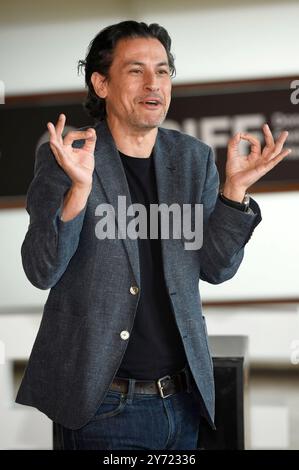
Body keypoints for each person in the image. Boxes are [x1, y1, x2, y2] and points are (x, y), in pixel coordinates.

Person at [16, 20, 290, 450]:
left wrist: (233, 194)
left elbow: (217, 269)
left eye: (163, 71)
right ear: (101, 83)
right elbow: (41, 270)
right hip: (103, 405)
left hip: (181, 400)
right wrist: (80, 191)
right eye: (136, 70)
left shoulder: (192, 158)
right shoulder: (67, 156)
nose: (154, 84)